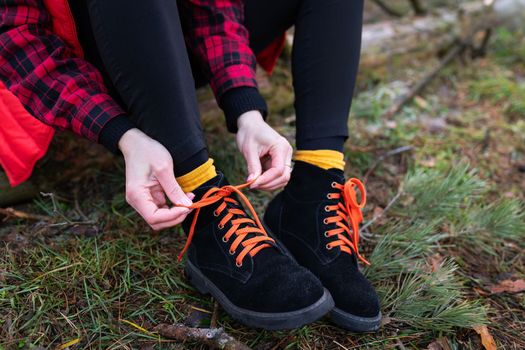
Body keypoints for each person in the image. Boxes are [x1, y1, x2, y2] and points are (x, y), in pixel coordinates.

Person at [0, 0, 380, 331]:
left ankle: (314, 190)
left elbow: (212, 5)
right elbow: (15, 39)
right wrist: (122, 134)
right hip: (96, 53)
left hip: (178, 37)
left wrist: (245, 108)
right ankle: (202, 195)